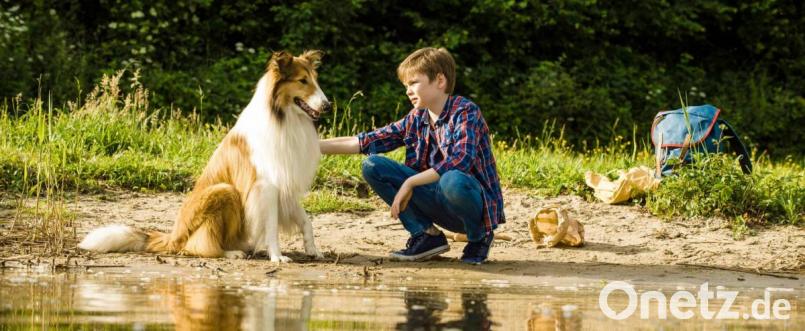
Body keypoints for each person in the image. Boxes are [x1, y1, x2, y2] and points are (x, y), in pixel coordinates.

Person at [319, 47, 505, 264]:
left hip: (472, 207)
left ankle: (479, 237)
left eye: (414, 82)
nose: (408, 90)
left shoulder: (465, 111)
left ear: (440, 81)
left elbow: (460, 159)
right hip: (438, 203)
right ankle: (426, 235)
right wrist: (310, 145)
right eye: (406, 85)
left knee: (452, 178)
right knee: (373, 165)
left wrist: (410, 182)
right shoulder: (416, 117)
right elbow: (366, 141)